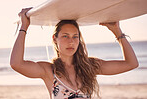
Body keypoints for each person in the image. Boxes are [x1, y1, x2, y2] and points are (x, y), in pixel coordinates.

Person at [10, 8, 138, 99]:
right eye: (65, 36)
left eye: (75, 36)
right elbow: (16, 64)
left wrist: (117, 31)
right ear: (55, 38)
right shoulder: (49, 71)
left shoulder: (90, 66)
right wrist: (24, 27)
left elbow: (131, 63)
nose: (71, 41)